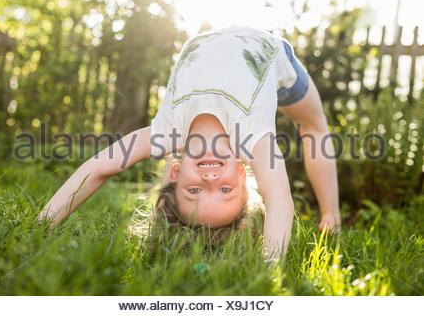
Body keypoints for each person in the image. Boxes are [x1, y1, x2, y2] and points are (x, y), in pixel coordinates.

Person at [38, 25, 341, 261]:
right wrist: (268, 272)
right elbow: (279, 203)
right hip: (274, 57)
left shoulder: (165, 132)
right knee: (314, 126)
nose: (210, 179)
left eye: (195, 190)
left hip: (208, 39)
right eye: (225, 190)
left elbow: (98, 168)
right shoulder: (254, 138)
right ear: (241, 175)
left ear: (175, 173)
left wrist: (40, 226)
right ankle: (332, 215)